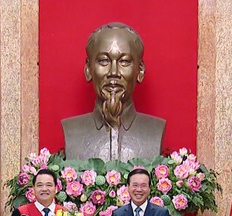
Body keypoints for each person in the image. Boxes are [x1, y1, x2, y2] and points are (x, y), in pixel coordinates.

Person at [62, 22, 165, 161]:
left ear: (140, 70)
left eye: (124, 62)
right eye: (104, 61)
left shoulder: (155, 130)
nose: (114, 72)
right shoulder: (72, 130)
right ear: (88, 69)